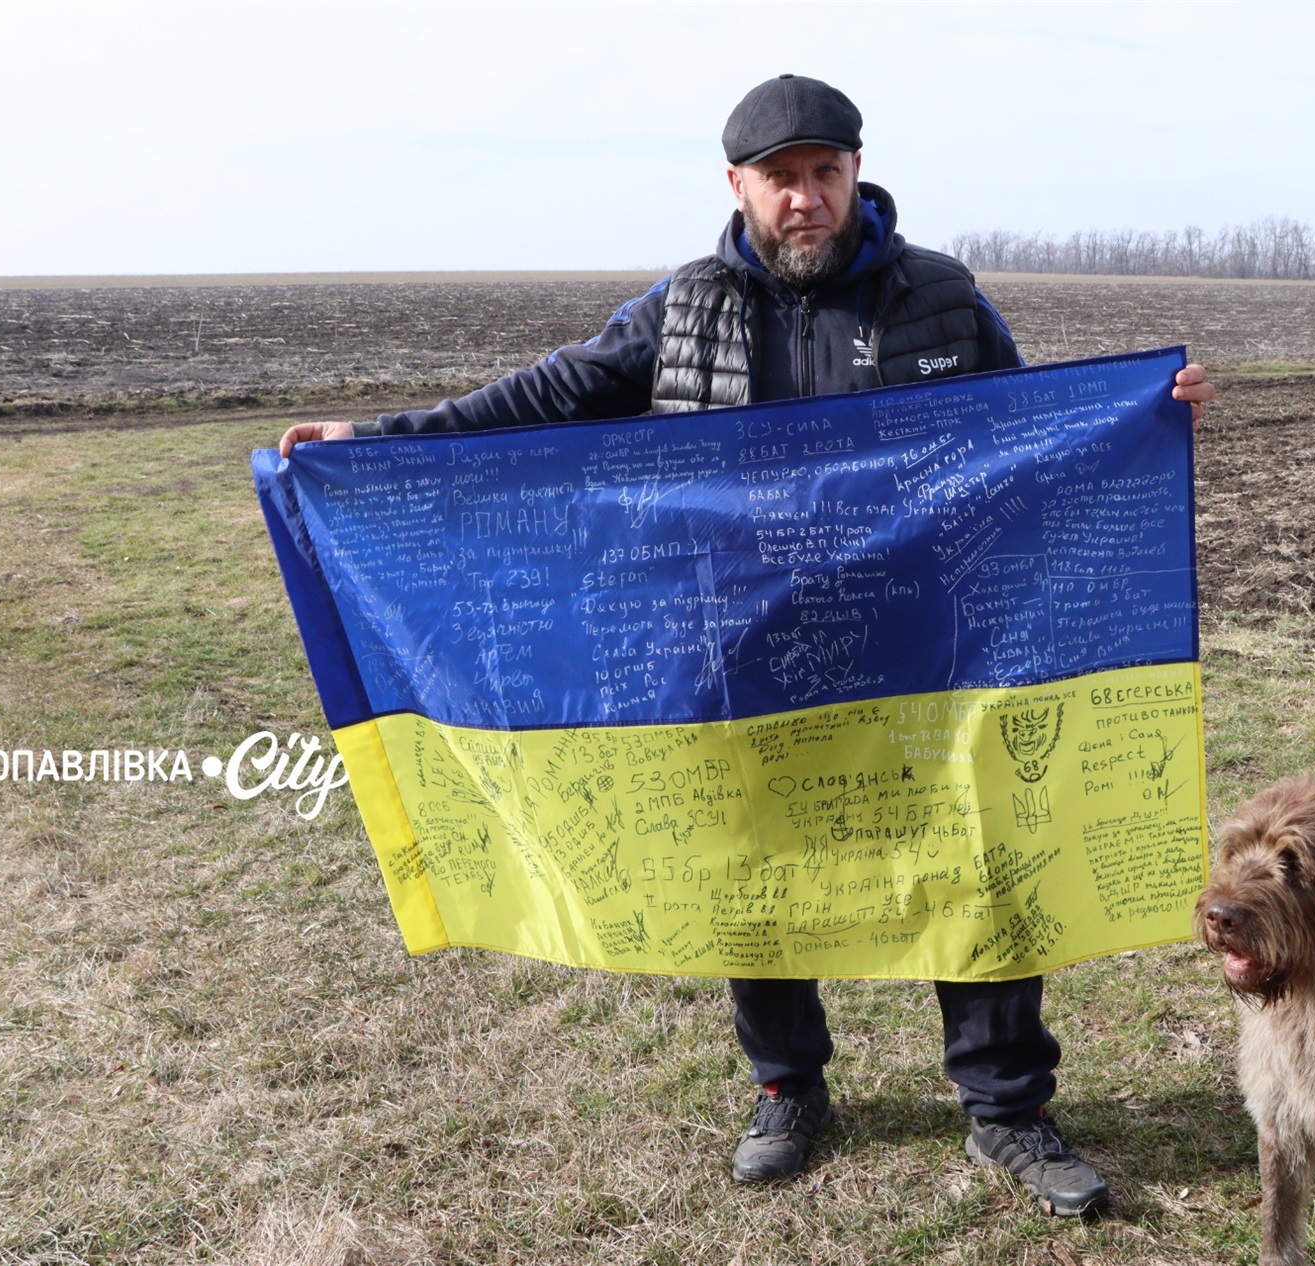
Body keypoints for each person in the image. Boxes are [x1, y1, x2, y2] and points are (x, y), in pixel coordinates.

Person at [279, 74, 1212, 1216]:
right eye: (781, 179)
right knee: (751, 873)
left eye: (825, 173)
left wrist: (1150, 411)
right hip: (738, 653)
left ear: (856, 173)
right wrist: (377, 442)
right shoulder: (684, 308)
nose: (805, 198)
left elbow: (1031, 434)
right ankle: (787, 1089)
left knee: (979, 866)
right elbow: (554, 394)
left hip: (929, 654)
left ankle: (1008, 1109)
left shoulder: (942, 298)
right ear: (738, 185)